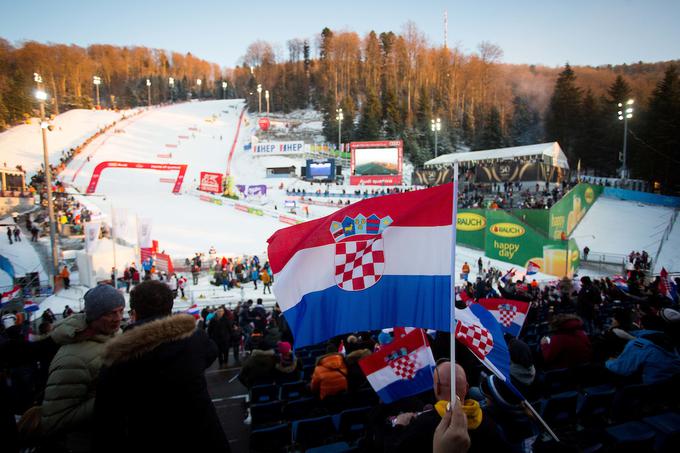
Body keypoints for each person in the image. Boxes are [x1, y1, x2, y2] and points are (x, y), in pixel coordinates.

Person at [93, 280, 230, 452]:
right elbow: (211, 352)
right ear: (170, 308)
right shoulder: (195, 338)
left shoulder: (118, 355)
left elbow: (105, 418)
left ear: (134, 312)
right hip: (203, 436)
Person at [41, 285, 125, 452]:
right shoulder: (71, 358)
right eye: (110, 313)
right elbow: (55, 420)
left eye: (121, 311)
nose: (118, 318)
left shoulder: (115, 335)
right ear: (94, 316)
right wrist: (111, 396)